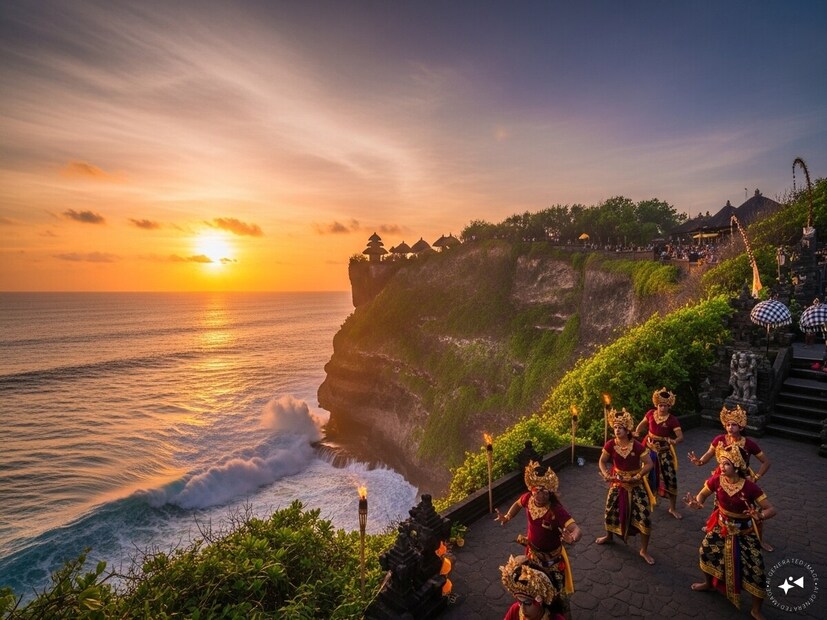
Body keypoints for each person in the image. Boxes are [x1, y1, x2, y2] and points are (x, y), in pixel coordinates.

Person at [683, 444, 776, 620]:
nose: (721, 466)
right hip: (721, 528)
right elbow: (702, 495)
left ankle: (755, 609)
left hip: (744, 533)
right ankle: (709, 584)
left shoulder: (750, 487)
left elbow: (771, 509)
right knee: (705, 552)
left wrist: (760, 515)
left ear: (737, 466)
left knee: (756, 569)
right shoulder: (717, 480)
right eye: (721, 462)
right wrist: (697, 502)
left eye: (726, 464)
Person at [495, 461, 582, 615]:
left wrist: (573, 538)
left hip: (552, 560)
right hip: (532, 554)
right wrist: (507, 517)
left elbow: (576, 529)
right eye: (537, 490)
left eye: (544, 491)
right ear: (531, 489)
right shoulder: (528, 499)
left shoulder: (556, 510)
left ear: (550, 492)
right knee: (533, 588)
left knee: (556, 593)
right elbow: (517, 504)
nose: (540, 495)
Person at [688, 404, 773, 551]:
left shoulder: (749, 444)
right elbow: (709, 453)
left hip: (743, 478)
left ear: (741, 426)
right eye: (728, 424)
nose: (730, 427)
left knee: (751, 510)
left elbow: (766, 462)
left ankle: (759, 539)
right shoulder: (720, 439)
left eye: (734, 424)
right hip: (721, 475)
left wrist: (756, 477)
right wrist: (700, 461)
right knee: (720, 504)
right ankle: (715, 529)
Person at [595, 407, 656, 564]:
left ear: (627, 429)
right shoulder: (610, 445)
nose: (617, 430)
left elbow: (649, 464)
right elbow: (602, 461)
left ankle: (643, 550)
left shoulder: (636, 446)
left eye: (620, 427)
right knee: (610, 511)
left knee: (644, 517)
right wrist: (606, 473)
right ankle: (609, 536)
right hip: (617, 483)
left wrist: (638, 475)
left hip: (636, 485)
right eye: (615, 427)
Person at [634, 387, 684, 519]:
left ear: (669, 406)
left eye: (665, 406)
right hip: (648, 449)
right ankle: (643, 500)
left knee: (670, 478)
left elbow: (680, 436)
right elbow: (642, 425)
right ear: (656, 405)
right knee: (642, 475)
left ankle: (672, 508)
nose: (662, 408)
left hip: (664, 452)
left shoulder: (672, 420)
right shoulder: (651, 413)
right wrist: (637, 432)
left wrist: (674, 441)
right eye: (660, 405)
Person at [500, 554, 566, 620]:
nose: (523, 609)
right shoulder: (515, 609)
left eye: (527, 603)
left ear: (540, 601)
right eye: (519, 602)